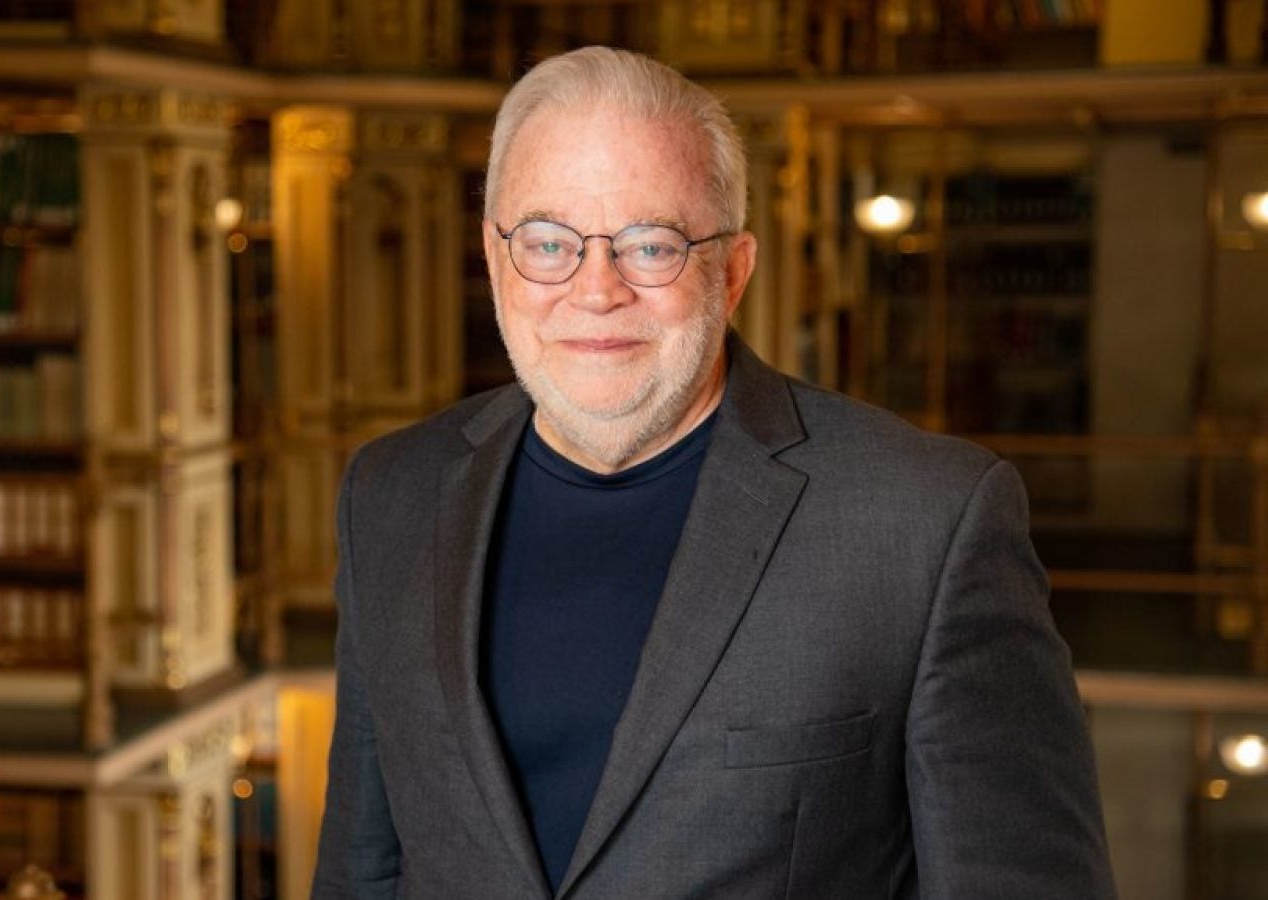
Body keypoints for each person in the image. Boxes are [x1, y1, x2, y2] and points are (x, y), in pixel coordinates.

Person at [312, 46, 1115, 900]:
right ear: (494, 255)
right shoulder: (389, 496)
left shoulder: (926, 523)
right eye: (547, 242)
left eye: (650, 245)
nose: (595, 290)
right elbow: (362, 873)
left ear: (731, 272)